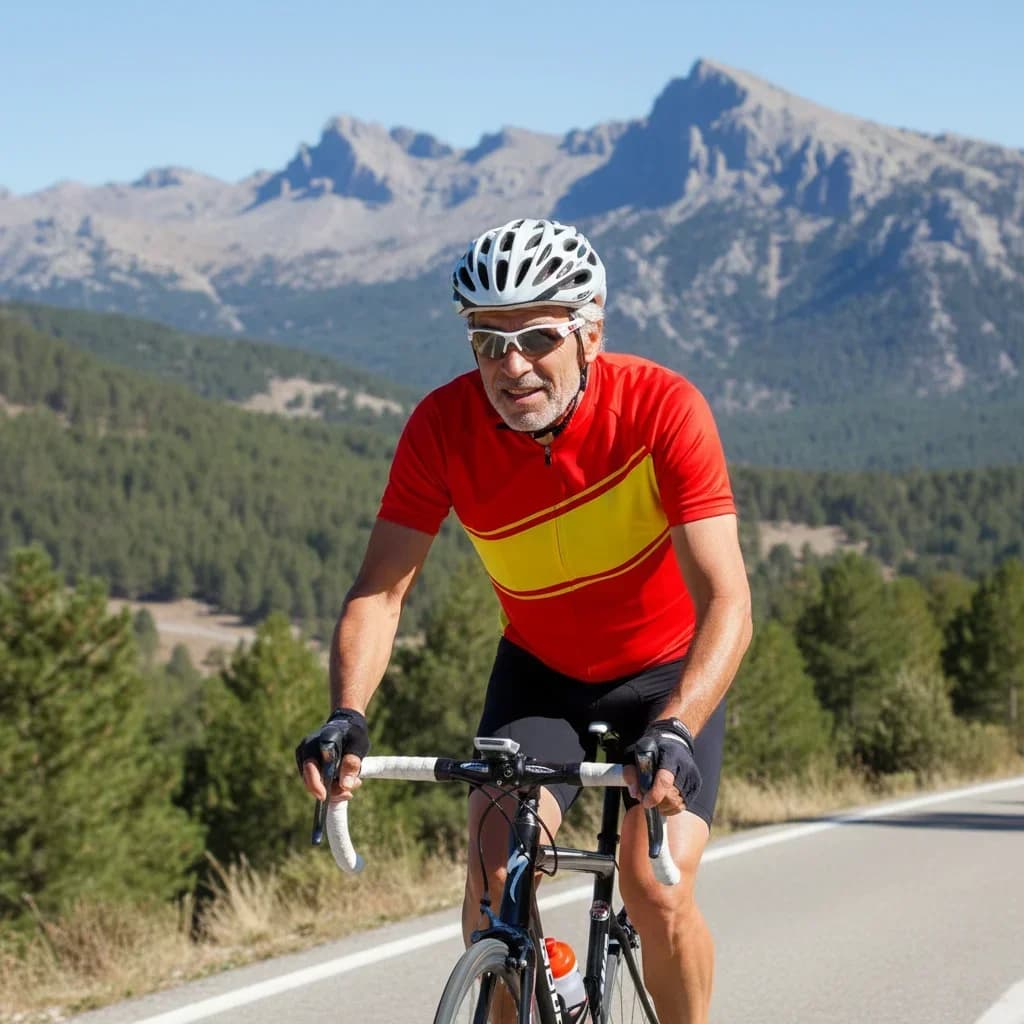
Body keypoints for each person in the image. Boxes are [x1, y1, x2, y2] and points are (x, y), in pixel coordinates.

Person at [297, 217, 752, 1024]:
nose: (511, 366)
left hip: (666, 678)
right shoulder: (442, 427)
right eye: (486, 341)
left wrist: (679, 725)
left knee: (655, 890)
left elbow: (728, 601)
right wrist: (347, 714)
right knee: (492, 895)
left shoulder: (662, 409)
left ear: (591, 331)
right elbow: (379, 593)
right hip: (544, 676)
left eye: (538, 336)